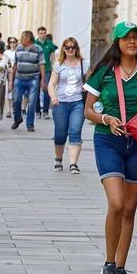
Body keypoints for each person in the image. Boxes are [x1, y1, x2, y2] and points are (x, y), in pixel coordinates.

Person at [83, 21, 137, 274]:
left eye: (136, 38)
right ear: (117, 42)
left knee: (130, 209)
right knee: (117, 204)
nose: (132, 42)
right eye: (126, 38)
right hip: (108, 140)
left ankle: (121, 267)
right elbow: (88, 110)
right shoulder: (104, 71)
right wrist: (106, 117)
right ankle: (108, 264)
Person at [48, 38, 87, 174]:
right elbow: (52, 83)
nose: (71, 49)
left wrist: (86, 87)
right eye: (68, 47)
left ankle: (73, 164)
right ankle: (58, 159)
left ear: (77, 48)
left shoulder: (84, 63)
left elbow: (91, 82)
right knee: (60, 134)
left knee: (75, 131)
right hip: (60, 102)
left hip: (77, 102)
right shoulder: (58, 65)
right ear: (63, 49)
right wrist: (53, 98)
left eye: (73, 47)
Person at [9, 31, 45, 132]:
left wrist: (43, 80)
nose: (20, 39)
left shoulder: (38, 49)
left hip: (33, 78)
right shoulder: (19, 49)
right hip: (19, 77)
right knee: (16, 99)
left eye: (22, 37)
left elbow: (41, 65)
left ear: (28, 38)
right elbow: (15, 64)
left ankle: (30, 124)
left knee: (32, 102)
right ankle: (17, 118)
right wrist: (11, 78)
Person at [35, 27, 57, 120]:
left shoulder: (50, 44)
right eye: (41, 33)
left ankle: (45, 111)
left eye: (44, 33)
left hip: (47, 69)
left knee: (47, 89)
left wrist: (54, 69)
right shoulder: (35, 43)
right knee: (35, 90)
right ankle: (37, 111)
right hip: (36, 69)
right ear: (38, 34)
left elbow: (53, 57)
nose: (43, 34)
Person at [4, 37, 18, 118]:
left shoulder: (18, 52)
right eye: (11, 42)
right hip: (8, 73)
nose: (12, 43)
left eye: (13, 42)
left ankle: (14, 106)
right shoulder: (6, 52)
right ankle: (8, 110)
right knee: (7, 91)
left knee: (15, 92)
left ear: (16, 43)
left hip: (17, 73)